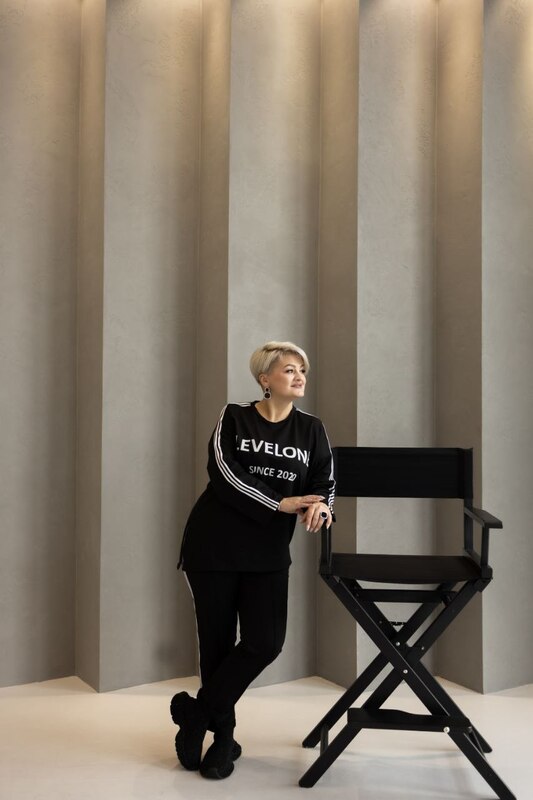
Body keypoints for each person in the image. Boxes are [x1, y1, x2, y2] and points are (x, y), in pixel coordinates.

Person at [170, 341, 335, 780]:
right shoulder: (234, 417)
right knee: (217, 646)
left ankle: (196, 714)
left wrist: (322, 505)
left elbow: (324, 480)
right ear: (265, 379)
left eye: (302, 369)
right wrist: (280, 502)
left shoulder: (311, 429)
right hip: (213, 546)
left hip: (267, 552)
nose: (299, 376)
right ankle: (224, 741)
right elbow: (223, 472)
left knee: (265, 641)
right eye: (289, 369)